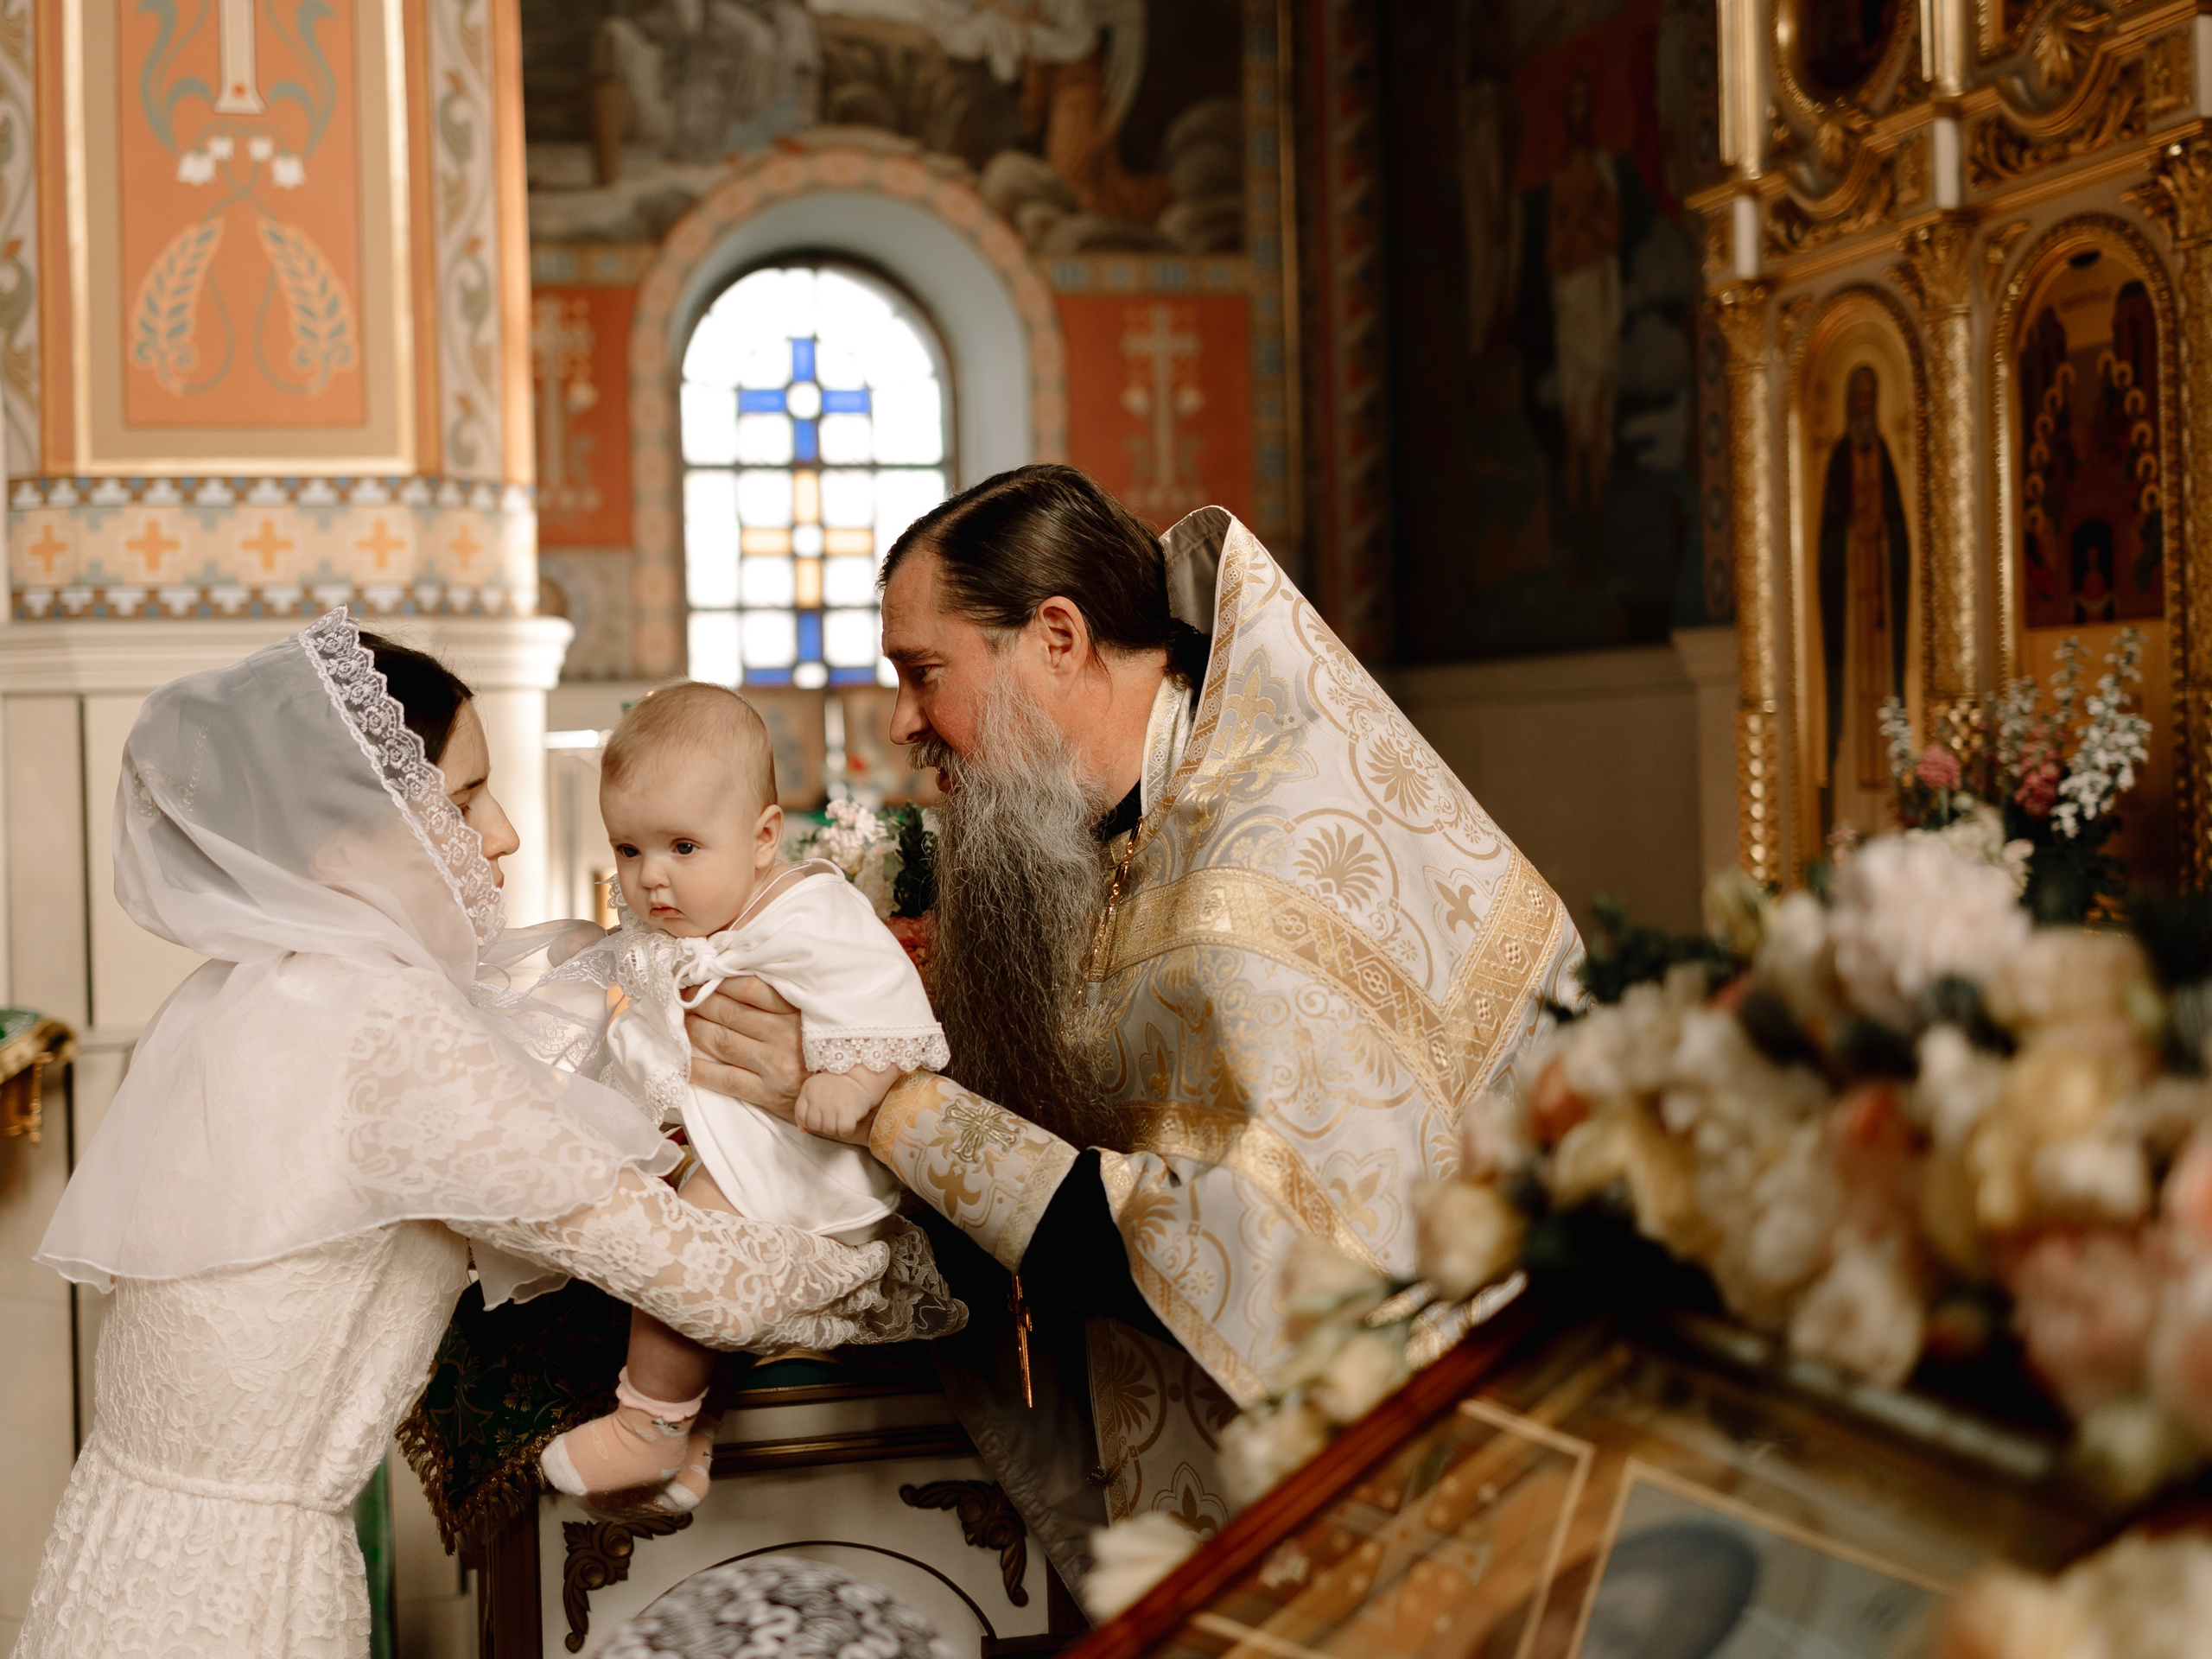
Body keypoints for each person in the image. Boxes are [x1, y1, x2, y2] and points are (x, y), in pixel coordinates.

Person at [682, 465, 1583, 1588]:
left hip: (1416, 1514)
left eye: (924, 673)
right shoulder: (1106, 822)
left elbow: (1265, 1258)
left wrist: (891, 1107)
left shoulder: (1272, 868)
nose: (906, 720)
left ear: (1056, 637)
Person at [16, 613, 956, 1658]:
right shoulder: (384, 1025)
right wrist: (889, 1248)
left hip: (116, 1554)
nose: (504, 833)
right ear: (346, 833)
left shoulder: (238, 993)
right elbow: (708, 1281)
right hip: (241, 1603)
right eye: (464, 801)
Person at [538, 683, 947, 1514]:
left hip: (806, 1158)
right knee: (638, 1207)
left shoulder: (806, 911)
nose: (651, 878)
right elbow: (649, 1039)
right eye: (629, 849)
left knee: (688, 1246)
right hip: (731, 1133)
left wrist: (854, 1077)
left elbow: (884, 994)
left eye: (684, 847)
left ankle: (646, 1424)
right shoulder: (678, 930)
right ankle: (692, 1441)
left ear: (764, 838)